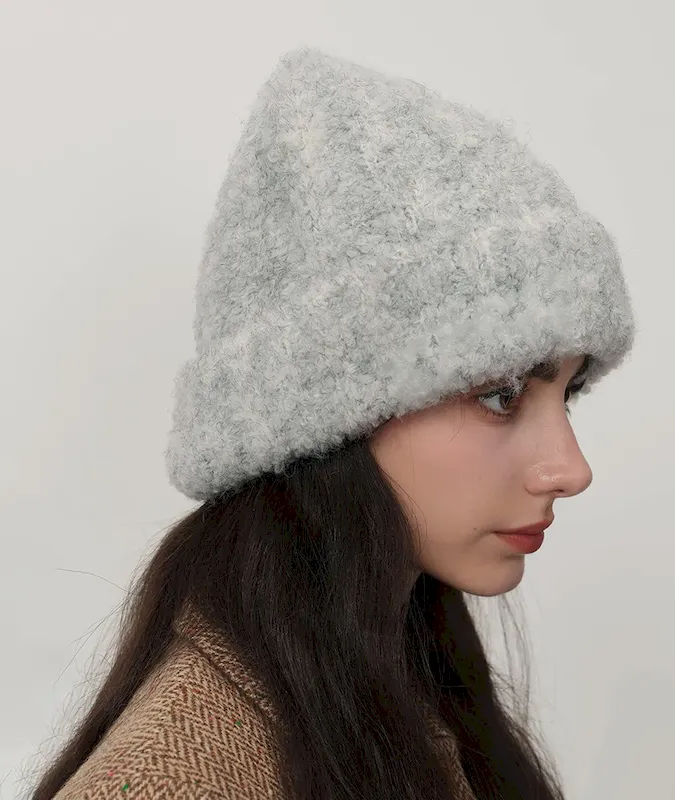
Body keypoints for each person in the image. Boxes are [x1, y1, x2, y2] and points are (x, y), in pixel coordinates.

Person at [30, 45, 636, 799]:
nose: (571, 469)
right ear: (325, 418)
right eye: (501, 395)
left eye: (567, 395)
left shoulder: (398, 690)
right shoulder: (174, 778)